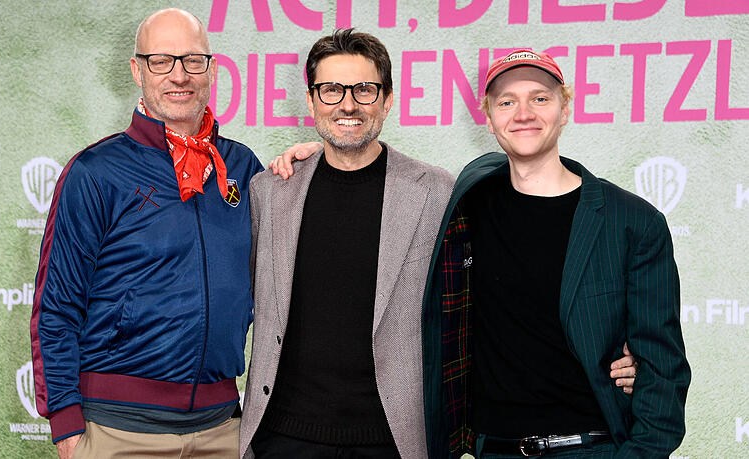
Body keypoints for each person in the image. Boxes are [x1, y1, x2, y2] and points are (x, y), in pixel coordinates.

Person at [242, 34, 637, 458]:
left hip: (396, 440)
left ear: (388, 99)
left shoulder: (438, 193)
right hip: (282, 438)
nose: (348, 105)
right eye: (332, 90)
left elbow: (505, 289)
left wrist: (613, 347)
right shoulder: (270, 192)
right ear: (312, 99)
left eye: (365, 89)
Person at [422, 49, 691, 458]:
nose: (523, 112)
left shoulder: (633, 222)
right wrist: (313, 156)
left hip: (590, 448)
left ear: (564, 110)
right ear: (490, 117)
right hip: (492, 449)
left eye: (540, 98)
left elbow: (663, 367)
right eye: (507, 101)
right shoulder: (467, 204)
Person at [29, 9, 262, 459]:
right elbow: (56, 308)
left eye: (193, 60)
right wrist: (66, 424)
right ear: (137, 70)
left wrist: (315, 161)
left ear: (212, 70)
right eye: (161, 60)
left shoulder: (242, 167)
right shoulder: (96, 172)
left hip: (222, 430)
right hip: (117, 429)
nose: (179, 75)